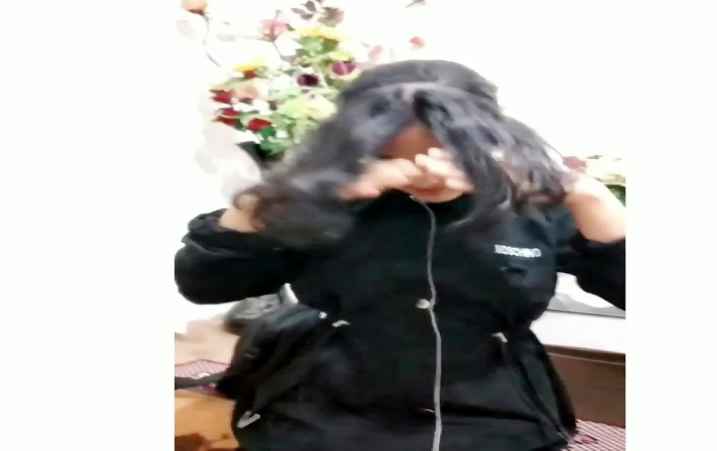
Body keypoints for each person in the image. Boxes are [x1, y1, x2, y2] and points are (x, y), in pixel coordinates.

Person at [175, 60, 625, 451]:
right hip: (322, 409)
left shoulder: (533, 204)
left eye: (448, 154)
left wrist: (591, 198)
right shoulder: (326, 200)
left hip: (498, 414)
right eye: (394, 156)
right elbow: (203, 283)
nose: (425, 172)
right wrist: (283, 198)